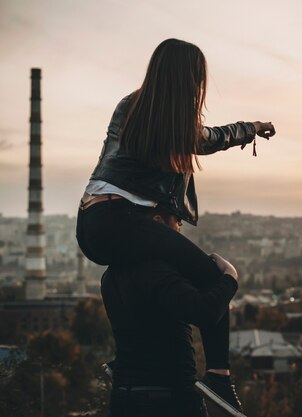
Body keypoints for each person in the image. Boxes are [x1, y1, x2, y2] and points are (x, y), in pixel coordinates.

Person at [75, 38, 275, 400]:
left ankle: (125, 362)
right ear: (189, 80)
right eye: (198, 80)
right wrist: (252, 127)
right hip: (121, 218)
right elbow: (210, 138)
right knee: (211, 276)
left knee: (136, 280)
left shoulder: (130, 105)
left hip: (91, 220)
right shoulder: (174, 120)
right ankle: (218, 378)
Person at [101, 207, 244, 417]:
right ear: (159, 221)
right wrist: (230, 277)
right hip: (168, 396)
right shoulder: (155, 271)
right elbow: (205, 312)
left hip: (123, 395)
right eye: (178, 221)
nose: (179, 229)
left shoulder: (111, 274)